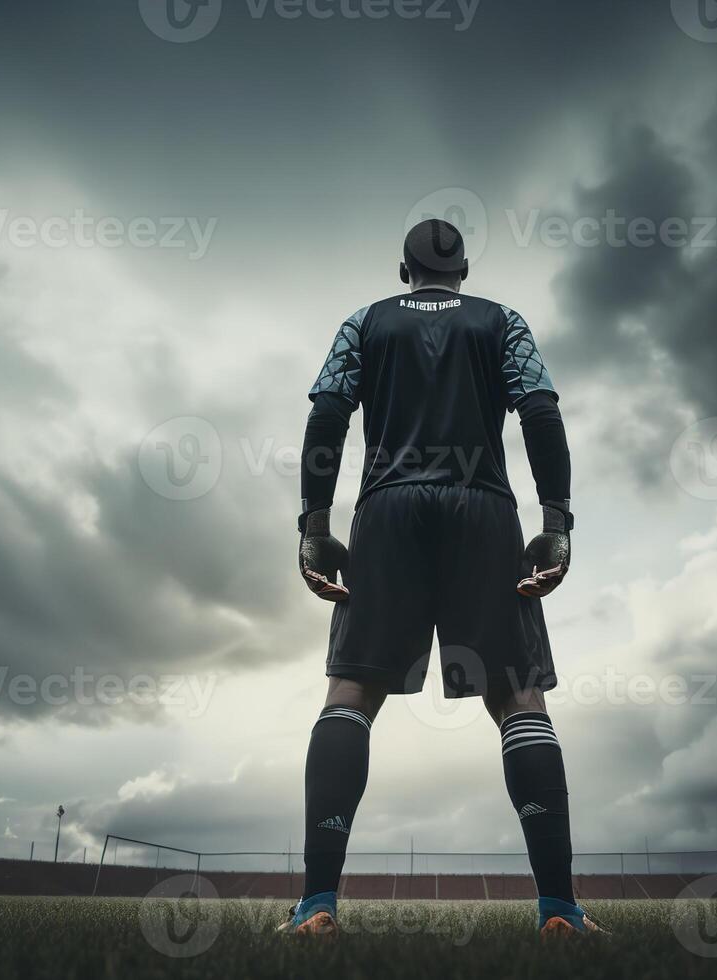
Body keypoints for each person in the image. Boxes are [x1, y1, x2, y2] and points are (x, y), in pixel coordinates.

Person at [281, 218, 597, 937]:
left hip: (387, 510)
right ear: (462, 274)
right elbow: (541, 412)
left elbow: (327, 416)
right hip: (482, 510)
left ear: (403, 271)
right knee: (517, 698)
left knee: (351, 694)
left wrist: (312, 526)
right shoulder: (500, 321)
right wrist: (556, 523)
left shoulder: (364, 323)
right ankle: (558, 911)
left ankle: (317, 907)